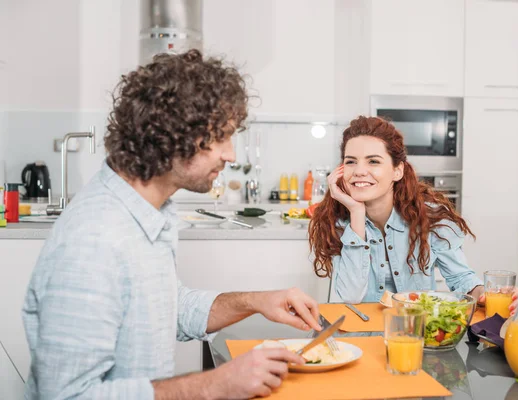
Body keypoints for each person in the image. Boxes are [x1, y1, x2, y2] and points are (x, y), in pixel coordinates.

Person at [22, 49, 322, 400]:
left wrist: (257, 301)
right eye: (221, 137)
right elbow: (65, 397)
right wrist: (214, 384)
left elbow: (168, 308)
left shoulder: (148, 212)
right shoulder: (94, 240)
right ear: (172, 134)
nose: (230, 154)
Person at [308, 116, 518, 312]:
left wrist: (487, 296)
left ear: (397, 171)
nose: (359, 171)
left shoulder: (429, 218)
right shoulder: (337, 221)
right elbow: (349, 297)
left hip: (413, 335)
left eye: (373, 161)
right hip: (355, 342)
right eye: (351, 161)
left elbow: (462, 279)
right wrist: (356, 212)